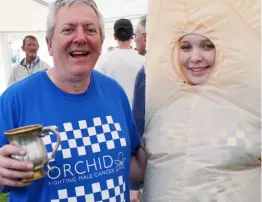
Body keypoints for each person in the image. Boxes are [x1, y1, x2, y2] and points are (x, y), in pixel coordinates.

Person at [0, 1, 147, 202]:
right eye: (68, 29)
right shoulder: (15, 100)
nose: (80, 37)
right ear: (50, 44)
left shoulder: (115, 93)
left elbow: (131, 165)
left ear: (101, 43)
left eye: (90, 30)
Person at [142, 0, 261, 201]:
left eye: (207, 46)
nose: (195, 57)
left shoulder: (251, 103)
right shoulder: (162, 104)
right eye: (186, 47)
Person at [96, 18, 144, 106]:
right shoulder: (143, 60)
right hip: (138, 112)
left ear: (115, 36)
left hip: (113, 111)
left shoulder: (103, 60)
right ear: (132, 36)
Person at [130, 15, 147, 202]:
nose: (135, 40)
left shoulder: (147, 72)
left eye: (138, 35)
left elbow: (139, 123)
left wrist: (133, 185)